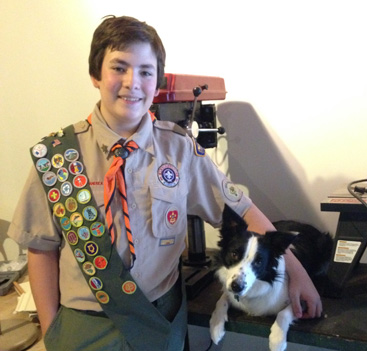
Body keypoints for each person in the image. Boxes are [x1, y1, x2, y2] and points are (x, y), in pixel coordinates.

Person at [7, 15, 321, 351]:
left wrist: (298, 275)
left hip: (162, 320)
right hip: (87, 325)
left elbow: (243, 211)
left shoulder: (180, 149)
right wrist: (52, 330)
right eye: (119, 67)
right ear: (95, 75)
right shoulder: (57, 156)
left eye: (145, 71)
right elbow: (41, 249)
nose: (132, 82)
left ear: (157, 84)